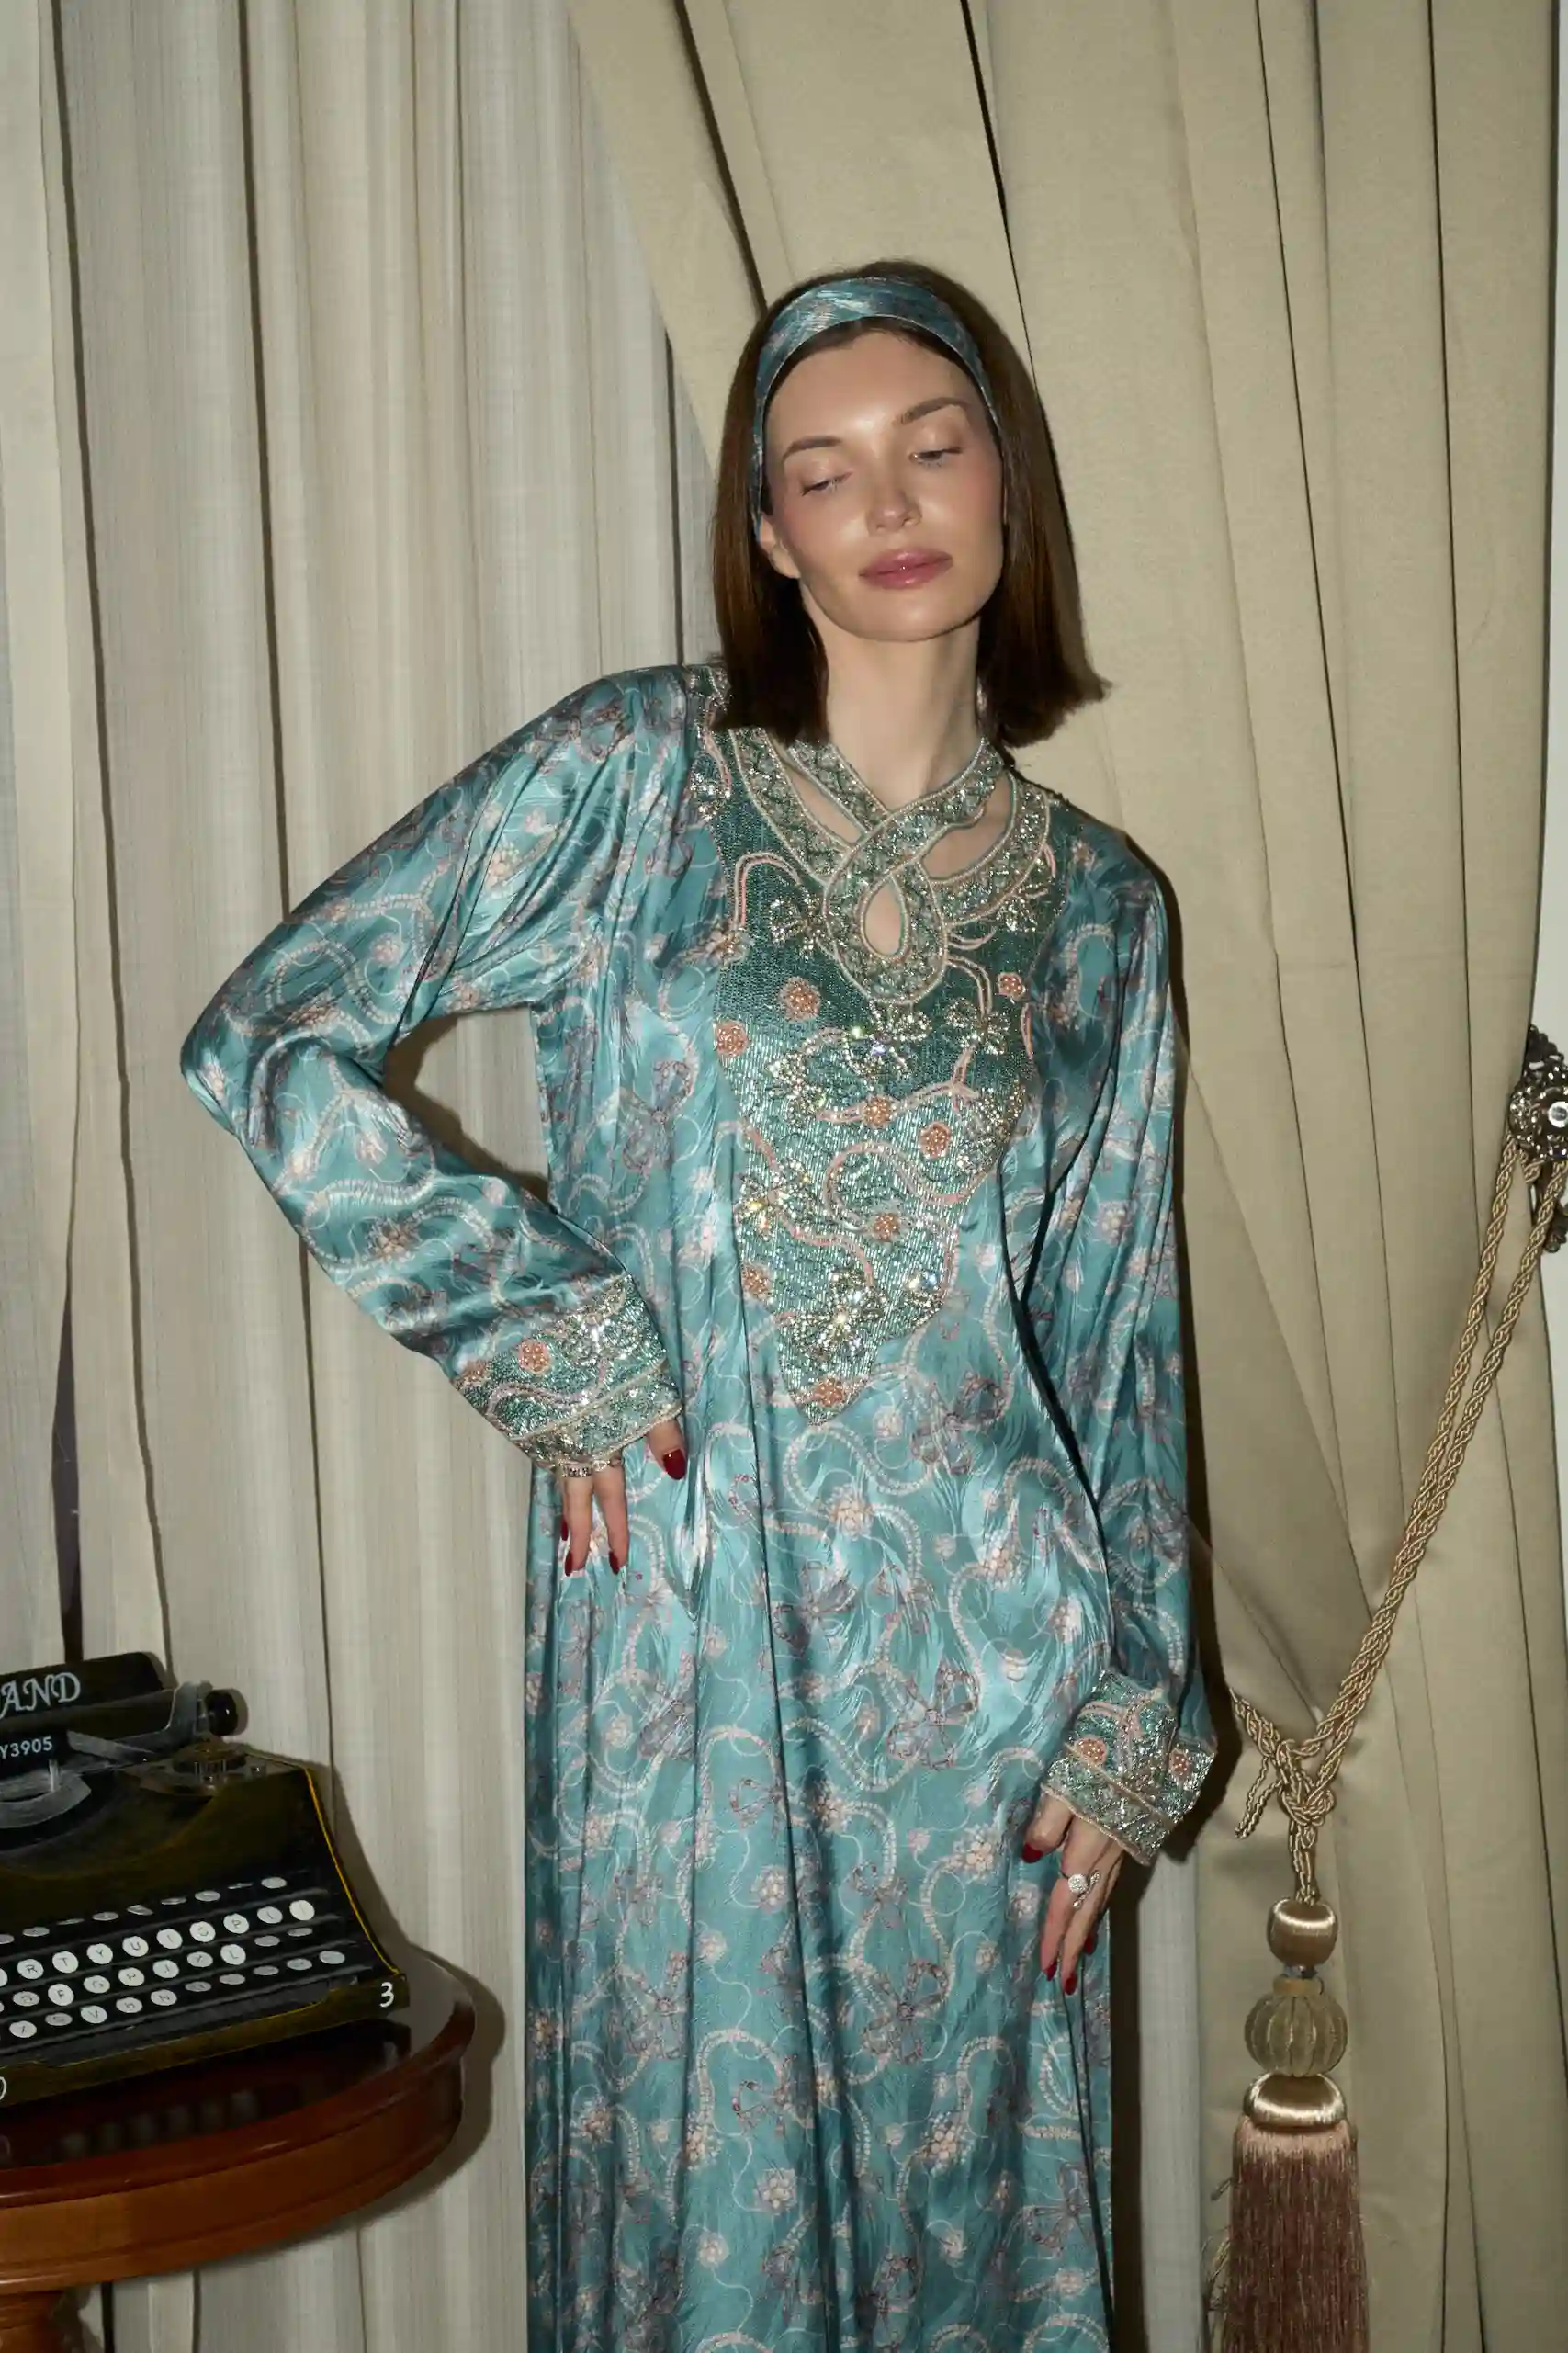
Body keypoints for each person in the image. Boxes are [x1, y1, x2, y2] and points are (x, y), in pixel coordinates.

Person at [181, 259, 1216, 2351]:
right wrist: (542, 1326)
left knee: (964, 2216)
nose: (886, 503)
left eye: (932, 446)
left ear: (1005, 483)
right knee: (698, 2216)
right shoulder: (633, 777)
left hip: (985, 1682)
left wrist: (1137, 1712)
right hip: (687, 1634)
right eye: (821, 472)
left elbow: (1117, 1337)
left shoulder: (1104, 908)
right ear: (766, 532)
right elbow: (269, 1034)